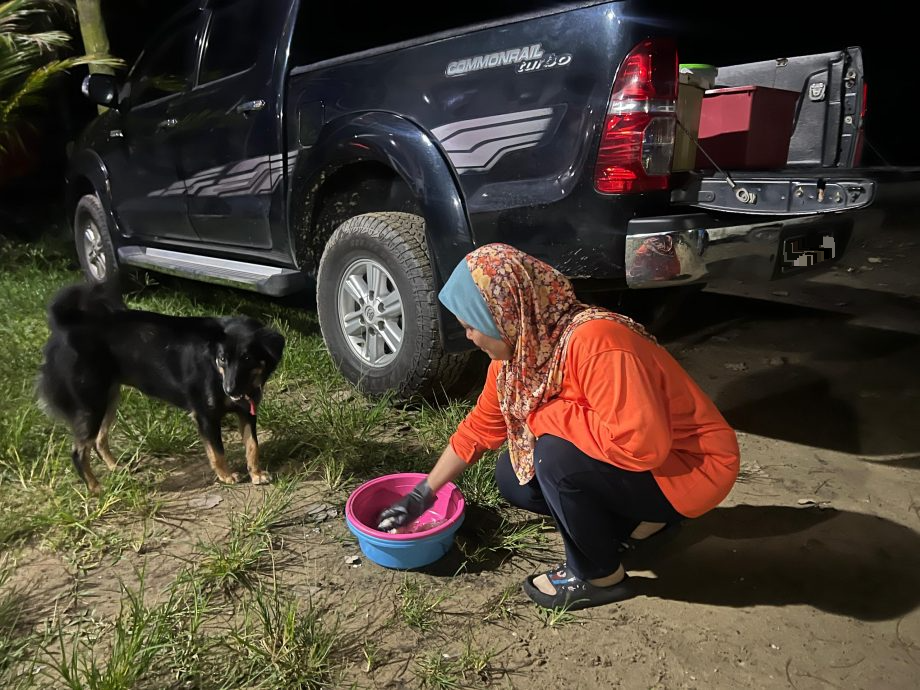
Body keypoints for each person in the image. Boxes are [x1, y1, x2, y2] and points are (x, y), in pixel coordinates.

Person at [377, 243, 740, 610]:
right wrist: (423, 493)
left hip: (694, 467)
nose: (469, 337)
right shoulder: (520, 358)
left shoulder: (596, 342)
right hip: (650, 466)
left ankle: (600, 577)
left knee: (553, 457)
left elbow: (641, 446)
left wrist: (545, 417)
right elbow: (478, 430)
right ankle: (643, 523)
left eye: (472, 326)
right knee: (513, 476)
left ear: (505, 315)